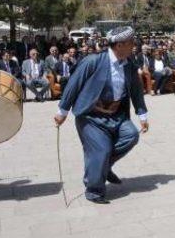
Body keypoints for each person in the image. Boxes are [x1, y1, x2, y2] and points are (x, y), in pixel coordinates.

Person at [54, 26, 148, 204]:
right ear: (119, 45)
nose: (133, 46)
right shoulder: (93, 61)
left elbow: (136, 92)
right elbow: (74, 84)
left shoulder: (129, 65)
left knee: (131, 135)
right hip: (91, 116)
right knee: (101, 150)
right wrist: (62, 111)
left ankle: (103, 166)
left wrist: (142, 115)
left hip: (116, 115)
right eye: (130, 43)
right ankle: (94, 190)